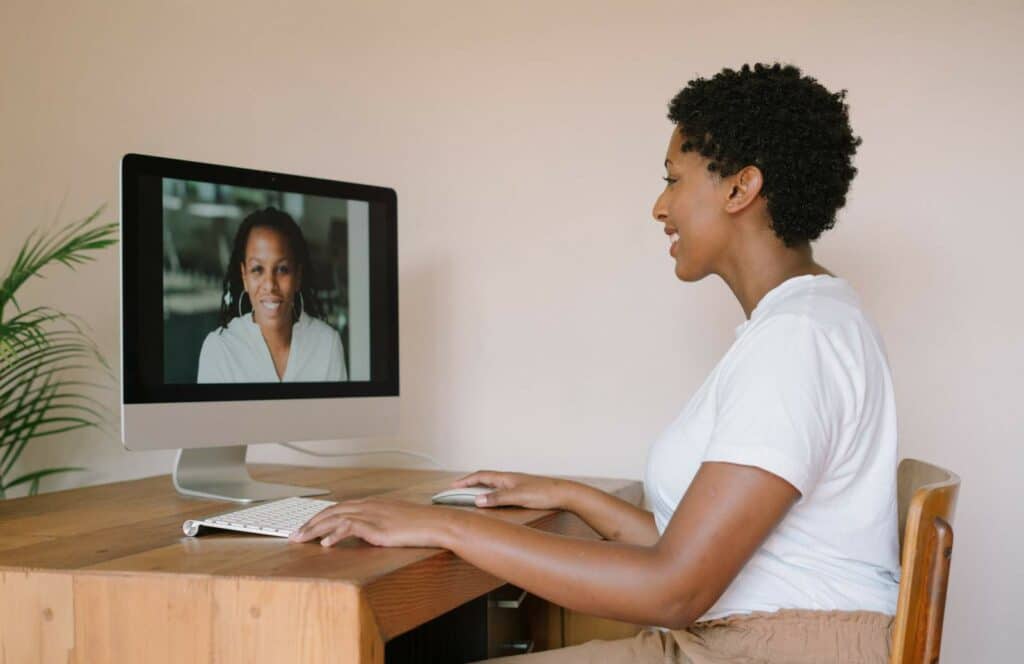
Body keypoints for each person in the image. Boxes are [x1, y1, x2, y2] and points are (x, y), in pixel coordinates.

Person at [291, 63, 899, 663]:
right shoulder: (805, 322)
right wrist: (569, 494)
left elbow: (674, 588)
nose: (660, 208)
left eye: (673, 179)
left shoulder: (797, 340)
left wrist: (444, 527)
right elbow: (694, 552)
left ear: (740, 188)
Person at [197, 207, 348, 383]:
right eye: (257, 269)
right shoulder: (220, 349)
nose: (270, 284)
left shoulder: (326, 344)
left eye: (282, 269)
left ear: (298, 276)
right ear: (244, 276)